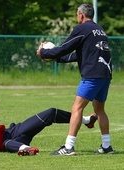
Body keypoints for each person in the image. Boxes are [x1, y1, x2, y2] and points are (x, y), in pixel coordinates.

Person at [37, 3, 113, 155]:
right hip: (105, 74)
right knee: (100, 110)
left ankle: (69, 147)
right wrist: (56, 58)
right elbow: (77, 55)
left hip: (92, 75)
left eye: (77, 14)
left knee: (76, 108)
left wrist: (44, 52)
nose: (77, 16)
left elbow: (64, 48)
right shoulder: (99, 30)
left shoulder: (82, 29)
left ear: (81, 15)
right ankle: (107, 146)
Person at [0, 91, 97, 156]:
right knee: (6, 144)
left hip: (15, 131)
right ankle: (27, 149)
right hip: (9, 142)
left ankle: (86, 120)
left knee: (50, 112)